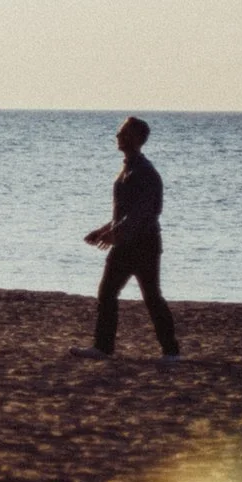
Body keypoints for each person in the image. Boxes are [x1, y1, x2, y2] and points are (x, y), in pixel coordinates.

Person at [77, 116, 182, 361]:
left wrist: (115, 234)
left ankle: (171, 350)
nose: (117, 136)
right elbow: (125, 213)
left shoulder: (144, 172)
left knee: (151, 296)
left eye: (122, 132)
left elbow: (143, 213)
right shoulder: (129, 168)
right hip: (126, 243)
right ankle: (103, 347)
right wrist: (104, 230)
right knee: (107, 293)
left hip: (143, 244)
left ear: (135, 138)